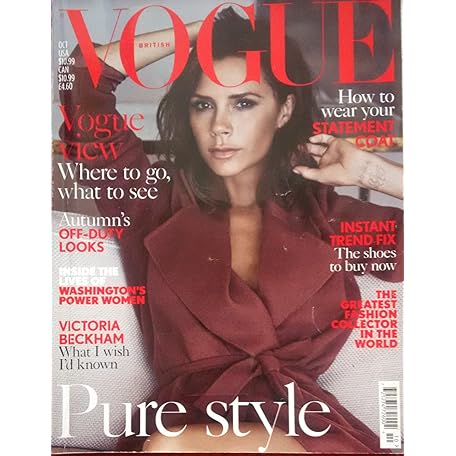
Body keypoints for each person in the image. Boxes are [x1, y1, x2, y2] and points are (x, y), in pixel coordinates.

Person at [59, 7, 403, 453]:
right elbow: (83, 78)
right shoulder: (153, 202)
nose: (220, 126)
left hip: (303, 433)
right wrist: (201, 34)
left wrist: (375, 172)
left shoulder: (326, 215)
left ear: (284, 110)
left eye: (243, 103)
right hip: (183, 429)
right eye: (204, 105)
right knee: (170, 444)